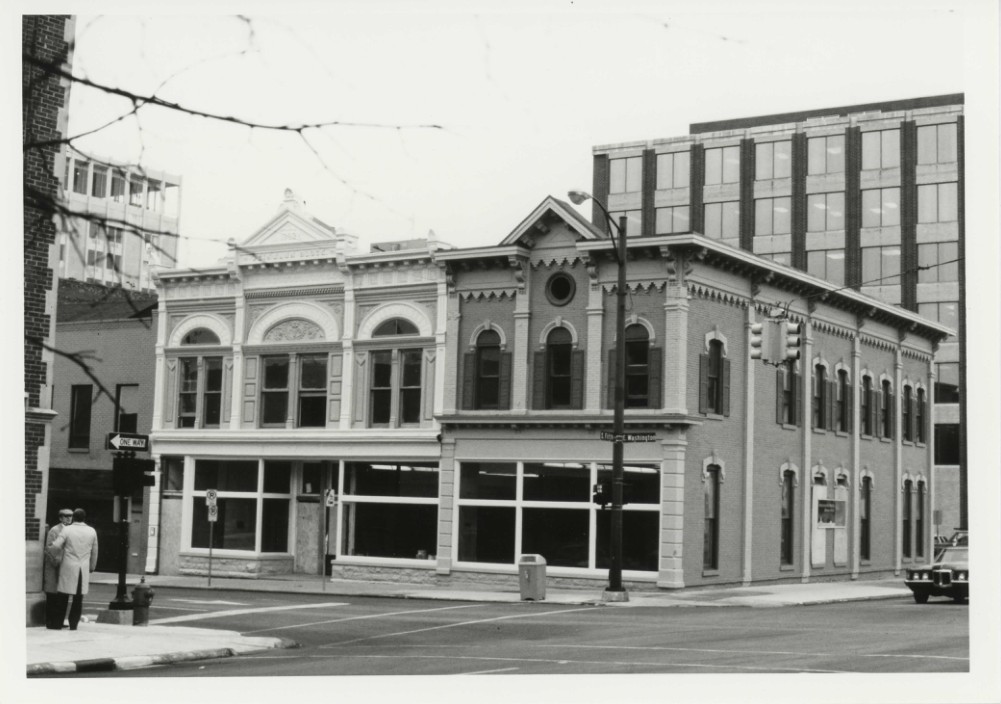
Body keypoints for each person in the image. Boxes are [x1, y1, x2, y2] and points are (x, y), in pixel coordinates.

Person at [50, 508, 99, 631]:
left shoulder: (67, 530)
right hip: (83, 568)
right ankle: (73, 625)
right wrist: (92, 566)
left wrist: (56, 558)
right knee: (78, 599)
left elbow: (55, 546)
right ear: (84, 518)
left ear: (74, 518)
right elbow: (95, 552)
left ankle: (57, 624)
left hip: (68, 566)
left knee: (63, 597)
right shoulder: (92, 531)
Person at [43, 509, 74, 629]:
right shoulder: (54, 530)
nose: (69, 518)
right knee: (53, 596)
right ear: (60, 518)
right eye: (66, 516)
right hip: (55, 568)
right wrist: (57, 562)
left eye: (70, 516)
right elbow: (49, 548)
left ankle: (59, 621)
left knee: (64, 596)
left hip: (66, 567)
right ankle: (50, 622)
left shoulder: (71, 530)